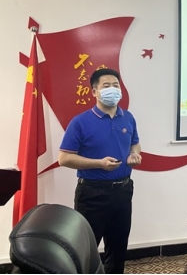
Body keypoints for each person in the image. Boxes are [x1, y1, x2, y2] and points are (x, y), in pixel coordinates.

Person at [58, 68, 141, 274]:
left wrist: (134, 154)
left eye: (116, 85)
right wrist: (99, 163)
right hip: (92, 194)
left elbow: (135, 143)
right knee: (85, 249)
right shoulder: (80, 122)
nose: (113, 89)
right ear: (94, 92)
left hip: (123, 191)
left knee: (118, 247)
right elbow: (64, 158)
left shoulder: (128, 117)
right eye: (106, 86)